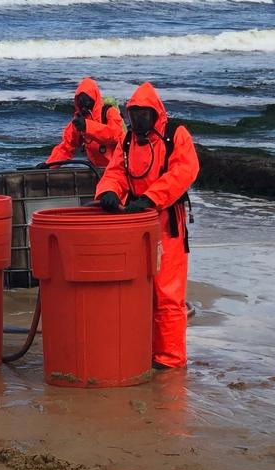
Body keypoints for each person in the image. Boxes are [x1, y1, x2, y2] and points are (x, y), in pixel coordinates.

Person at [95, 81, 199, 369]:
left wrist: (151, 198)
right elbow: (116, 171)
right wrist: (108, 192)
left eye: (143, 113)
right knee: (137, 295)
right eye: (134, 113)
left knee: (167, 295)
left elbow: (184, 171)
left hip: (167, 226)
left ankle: (169, 359)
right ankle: (143, 351)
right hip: (135, 226)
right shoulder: (128, 141)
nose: (138, 119)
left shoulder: (175, 135)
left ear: (155, 113)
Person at [39, 77, 125, 169]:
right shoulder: (79, 121)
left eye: (87, 100)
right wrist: (48, 165)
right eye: (81, 101)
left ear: (95, 99)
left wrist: (87, 126)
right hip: (97, 168)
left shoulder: (109, 112)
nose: (84, 105)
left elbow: (116, 135)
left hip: (119, 167)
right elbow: (66, 147)